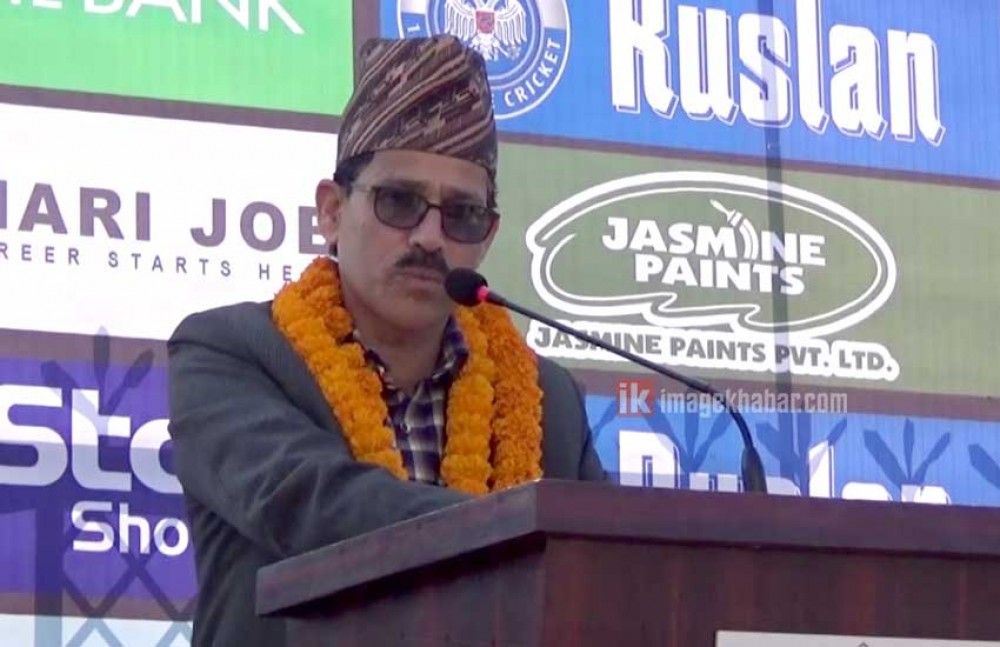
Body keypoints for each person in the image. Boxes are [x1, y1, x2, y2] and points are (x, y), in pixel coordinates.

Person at [167, 35, 605, 646]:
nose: (429, 237)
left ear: (487, 236)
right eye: (399, 202)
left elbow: (601, 571)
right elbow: (310, 504)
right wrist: (526, 532)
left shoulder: (546, 398)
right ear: (331, 210)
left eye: (462, 214)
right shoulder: (229, 352)